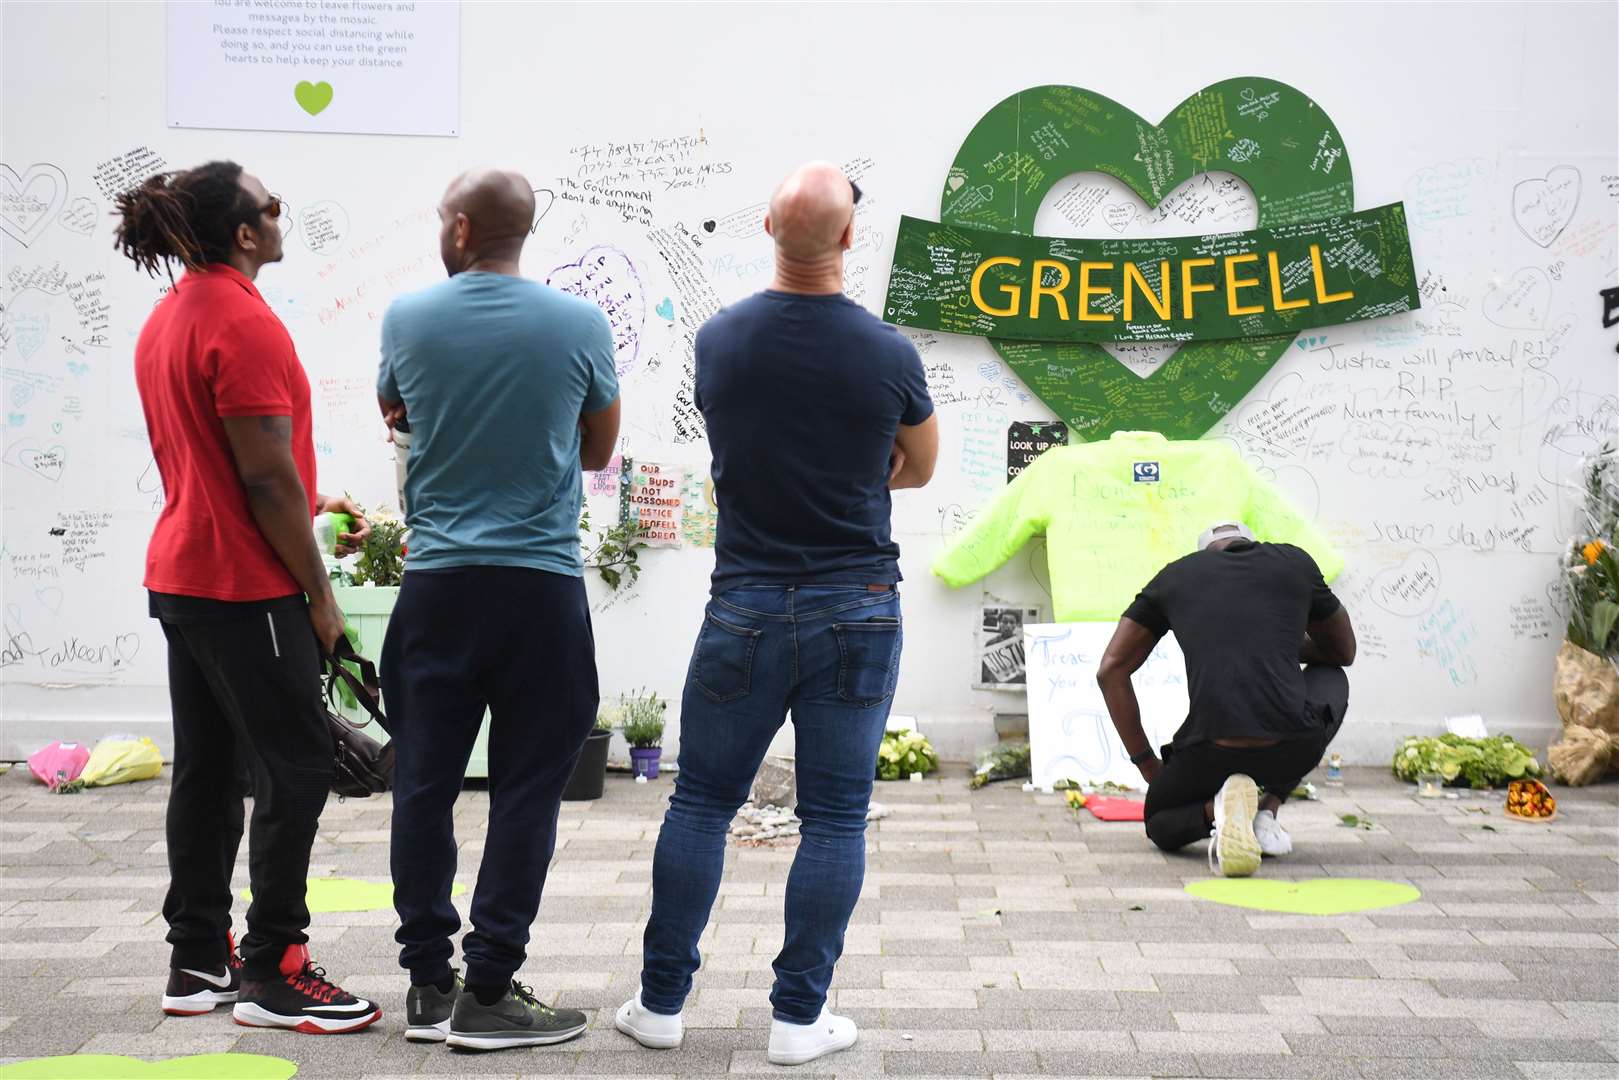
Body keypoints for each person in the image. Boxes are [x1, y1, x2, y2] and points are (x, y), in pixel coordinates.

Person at [614, 162, 939, 1067]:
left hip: (745, 603)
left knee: (702, 803)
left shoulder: (720, 341)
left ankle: (661, 1005)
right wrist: (861, 475)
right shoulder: (888, 352)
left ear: (764, 227)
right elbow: (919, 464)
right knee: (835, 818)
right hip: (860, 605)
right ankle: (799, 1022)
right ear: (847, 239)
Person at [115, 161, 381, 1033]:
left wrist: (311, 500)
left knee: (209, 768)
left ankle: (196, 960)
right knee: (296, 766)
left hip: (185, 573)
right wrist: (320, 596)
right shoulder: (244, 322)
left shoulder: (170, 318)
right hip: (246, 586)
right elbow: (263, 480)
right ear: (243, 232)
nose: (280, 216)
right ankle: (273, 968)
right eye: (272, 206)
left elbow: (236, 467)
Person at [377, 168, 620, 1052]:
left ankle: (427, 986)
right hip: (539, 590)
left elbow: (393, 411)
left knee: (424, 784)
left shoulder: (407, 318)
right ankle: (490, 990)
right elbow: (598, 444)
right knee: (526, 792)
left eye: (442, 216)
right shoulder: (580, 323)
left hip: (438, 586)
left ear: (464, 227)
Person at [1096, 521, 1355, 877]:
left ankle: (1214, 809)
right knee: (1330, 678)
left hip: (1209, 751)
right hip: (1290, 745)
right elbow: (1342, 652)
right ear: (1249, 543)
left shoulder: (1175, 577)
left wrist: (1147, 765)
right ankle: (1268, 808)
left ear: (1207, 554)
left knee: (1159, 823)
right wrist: (1282, 645)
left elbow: (1111, 670)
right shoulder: (1295, 563)